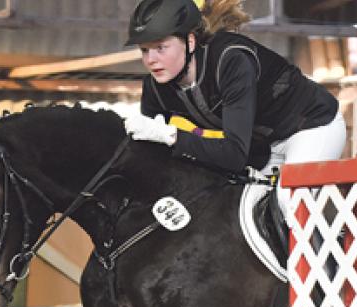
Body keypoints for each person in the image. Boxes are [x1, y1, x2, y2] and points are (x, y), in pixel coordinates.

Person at [122, 0, 345, 176]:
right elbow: (150, 155)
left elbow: (233, 154)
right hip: (263, 148)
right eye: (144, 50)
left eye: (161, 47)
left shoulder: (230, 61)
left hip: (312, 126)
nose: (151, 60)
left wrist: (171, 135)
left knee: (289, 202)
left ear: (190, 41)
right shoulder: (156, 87)